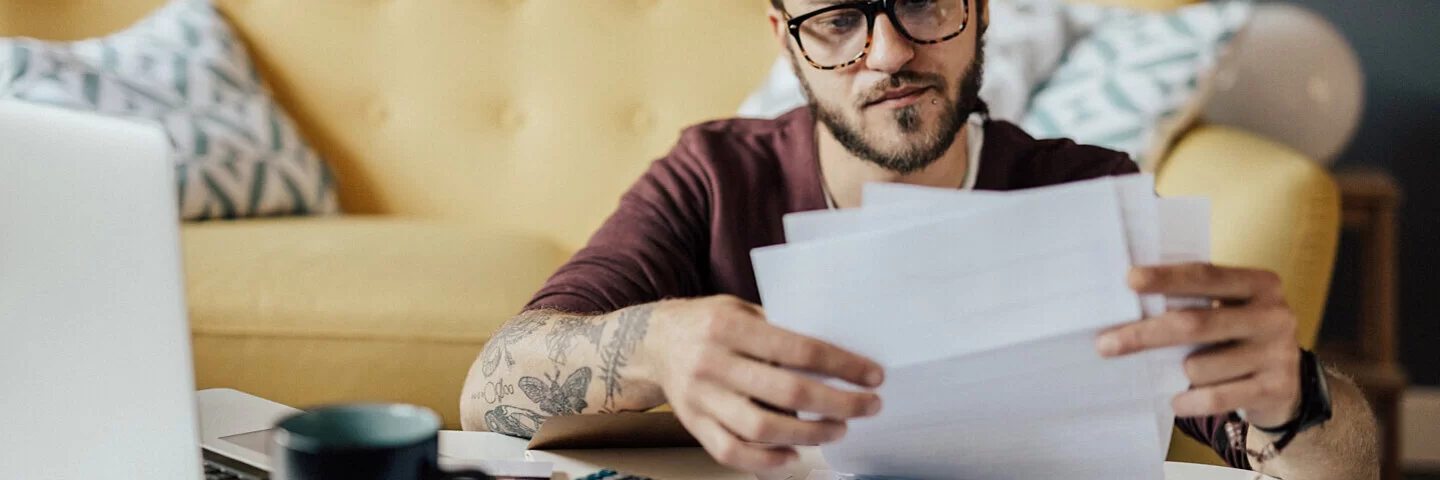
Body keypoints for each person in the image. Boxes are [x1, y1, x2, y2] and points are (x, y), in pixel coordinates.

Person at [460, 0, 1379, 477]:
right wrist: (658, 343)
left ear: (981, 10)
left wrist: (1292, 395)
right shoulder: (713, 175)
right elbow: (491, 392)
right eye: (838, 20)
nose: (890, 51)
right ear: (787, 37)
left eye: (927, 3)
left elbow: (1331, 469)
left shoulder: (1083, 193)